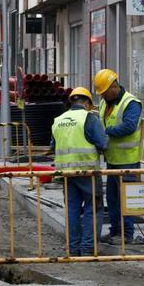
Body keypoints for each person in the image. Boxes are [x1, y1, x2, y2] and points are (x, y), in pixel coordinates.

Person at [51, 87, 108, 257]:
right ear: (88, 103)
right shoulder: (89, 118)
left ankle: (73, 249)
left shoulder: (58, 120)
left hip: (66, 174)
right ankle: (87, 248)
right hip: (87, 172)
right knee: (93, 209)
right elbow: (102, 143)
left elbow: (53, 146)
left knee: (72, 210)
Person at [94, 68, 144, 245]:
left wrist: (105, 132)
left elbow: (129, 126)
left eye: (104, 92)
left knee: (127, 200)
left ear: (114, 87)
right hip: (113, 161)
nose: (102, 97)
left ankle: (127, 235)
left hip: (128, 162)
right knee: (114, 199)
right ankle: (115, 231)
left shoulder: (131, 103)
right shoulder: (104, 103)